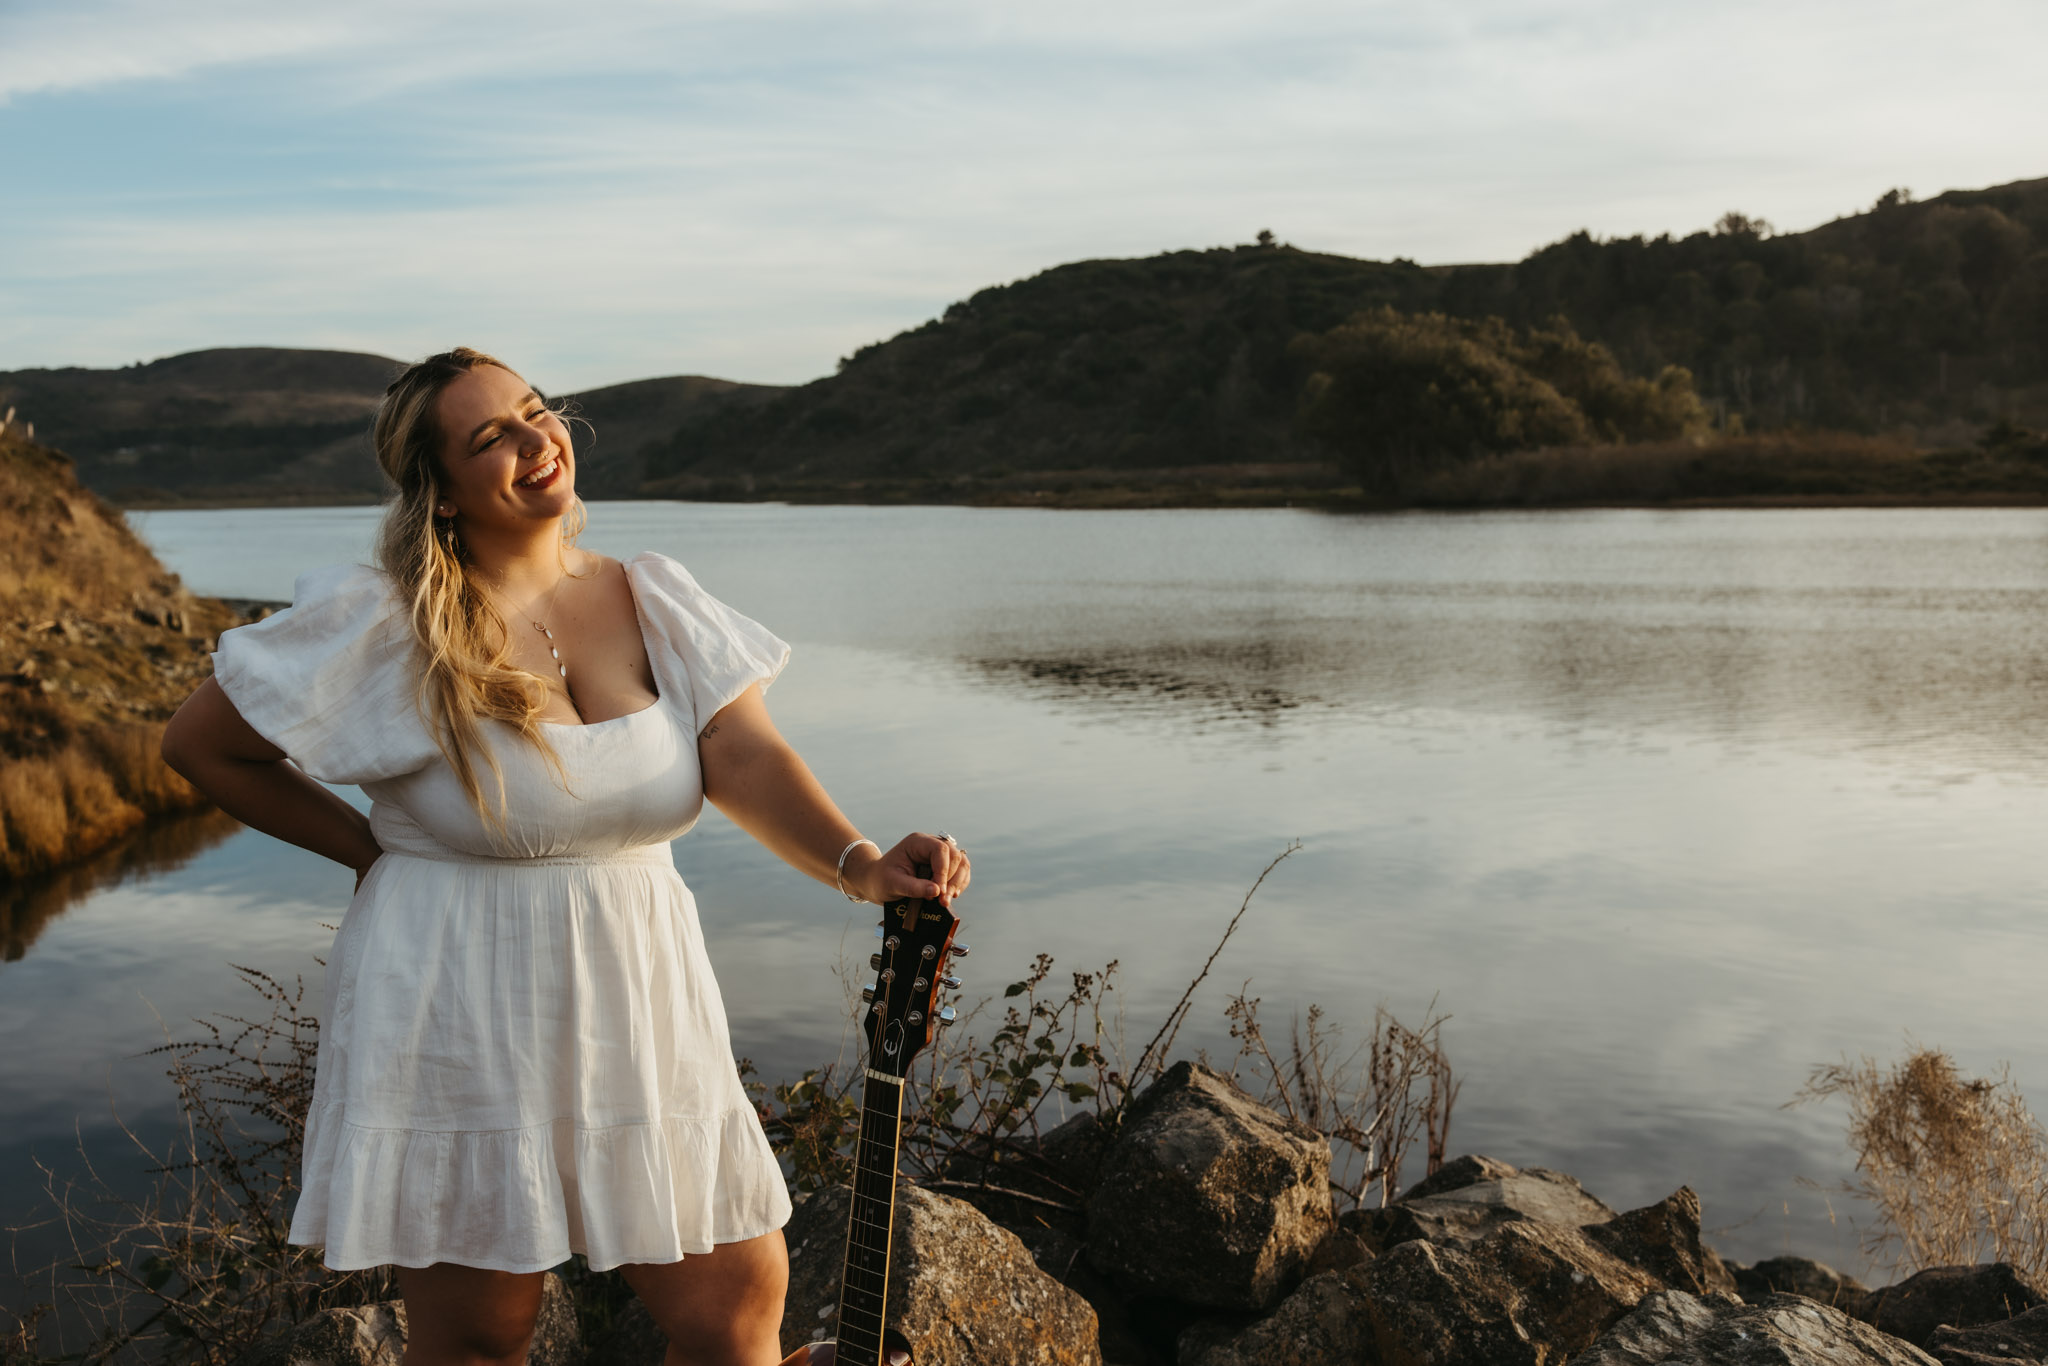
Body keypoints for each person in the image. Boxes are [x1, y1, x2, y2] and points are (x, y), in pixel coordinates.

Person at [161, 347, 967, 1366]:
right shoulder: (386, 619)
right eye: (487, 437)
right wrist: (366, 852)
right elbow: (203, 744)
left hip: (640, 985)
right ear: (439, 492)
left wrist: (857, 860)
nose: (534, 442)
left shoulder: (651, 596)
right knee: (480, 1336)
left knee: (736, 1302)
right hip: (456, 992)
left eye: (536, 414)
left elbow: (741, 751)